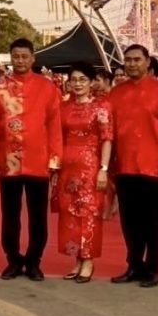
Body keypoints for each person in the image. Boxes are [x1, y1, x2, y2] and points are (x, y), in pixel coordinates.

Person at [106, 44, 158, 288]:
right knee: (129, 221)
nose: (132, 64)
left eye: (137, 59)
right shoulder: (116, 93)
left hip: (153, 167)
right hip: (124, 166)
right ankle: (134, 265)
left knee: (153, 221)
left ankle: (153, 268)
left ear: (148, 62)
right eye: (128, 60)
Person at [0, 38, 62, 281]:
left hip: (38, 160)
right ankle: (13, 259)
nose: (20, 61)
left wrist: (55, 157)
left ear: (33, 58)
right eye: (16, 56)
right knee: (10, 215)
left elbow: (54, 125)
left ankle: (33, 261)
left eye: (24, 56)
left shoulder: (47, 87)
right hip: (9, 160)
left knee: (38, 217)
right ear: (11, 58)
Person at [57, 63, 113, 283]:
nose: (78, 84)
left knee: (89, 213)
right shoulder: (64, 107)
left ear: (91, 82)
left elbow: (107, 139)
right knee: (69, 214)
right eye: (74, 79)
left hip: (90, 167)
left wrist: (104, 169)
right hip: (67, 167)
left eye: (82, 79)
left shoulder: (101, 107)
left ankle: (88, 260)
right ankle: (78, 260)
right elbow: (57, 137)